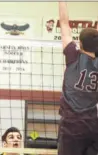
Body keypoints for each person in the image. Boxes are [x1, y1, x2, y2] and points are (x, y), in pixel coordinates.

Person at [58, 2, 98, 155]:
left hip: (72, 126)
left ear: (80, 43)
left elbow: (63, 23)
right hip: (93, 125)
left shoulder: (73, 56)